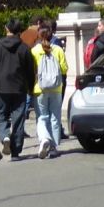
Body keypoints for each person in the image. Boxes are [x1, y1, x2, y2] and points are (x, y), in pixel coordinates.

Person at [0, 18, 35, 158]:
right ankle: (16, 150)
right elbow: (30, 70)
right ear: (19, 31)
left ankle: (5, 137)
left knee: (3, 116)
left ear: (7, 29)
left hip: (3, 87)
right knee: (18, 119)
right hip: (20, 88)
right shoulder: (24, 48)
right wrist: (30, 87)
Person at [29, 23, 68, 159]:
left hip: (39, 88)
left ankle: (44, 138)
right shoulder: (57, 49)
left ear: (39, 35)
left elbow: (31, 70)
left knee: (42, 117)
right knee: (55, 118)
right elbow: (64, 69)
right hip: (56, 88)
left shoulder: (34, 51)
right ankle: (53, 146)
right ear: (51, 34)